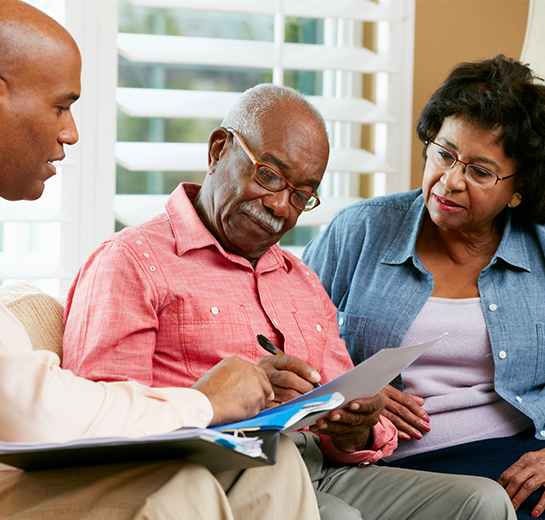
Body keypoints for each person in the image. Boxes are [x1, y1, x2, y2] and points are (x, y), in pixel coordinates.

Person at [0, 2, 324, 519]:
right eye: (61, 106)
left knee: (267, 465)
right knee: (180, 489)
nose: (71, 133)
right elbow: (26, 409)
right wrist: (203, 403)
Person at [62, 83, 517, 520]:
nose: (281, 206)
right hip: (214, 474)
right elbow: (100, 424)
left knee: (483, 501)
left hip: (320, 468)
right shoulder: (131, 262)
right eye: (270, 176)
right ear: (219, 149)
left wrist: (356, 421)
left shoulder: (299, 278)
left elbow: (348, 424)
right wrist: (234, 402)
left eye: (302, 194)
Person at [302, 55, 545, 520]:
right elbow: (286, 351)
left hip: (528, 455)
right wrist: (349, 390)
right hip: (392, 466)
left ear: (520, 186)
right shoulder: (360, 231)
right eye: (444, 153)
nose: (449, 181)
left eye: (480, 171)